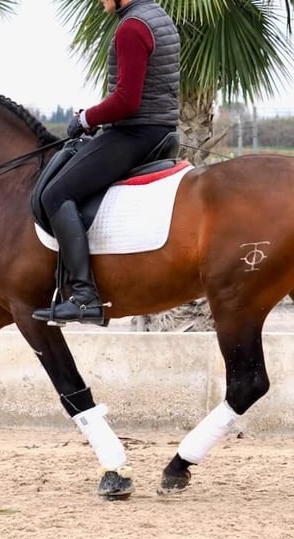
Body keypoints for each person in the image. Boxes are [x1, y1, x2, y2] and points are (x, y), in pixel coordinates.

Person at [32, 0, 180, 326]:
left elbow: (127, 100)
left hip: (135, 134)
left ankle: (84, 296)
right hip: (158, 128)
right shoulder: (157, 16)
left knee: (55, 194)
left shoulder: (132, 27)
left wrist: (85, 119)